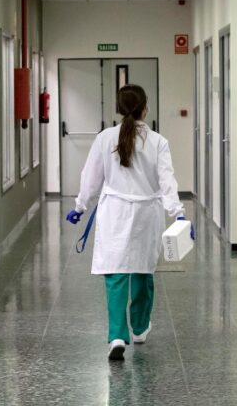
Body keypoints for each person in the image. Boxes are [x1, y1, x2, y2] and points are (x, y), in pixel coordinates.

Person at [66, 84, 194, 360]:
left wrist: (80, 206)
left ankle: (116, 335)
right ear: (145, 108)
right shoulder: (157, 141)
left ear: (119, 108)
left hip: (115, 212)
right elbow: (167, 181)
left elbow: (91, 177)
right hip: (147, 214)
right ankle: (139, 328)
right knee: (143, 271)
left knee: (115, 273)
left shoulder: (105, 138)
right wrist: (178, 213)